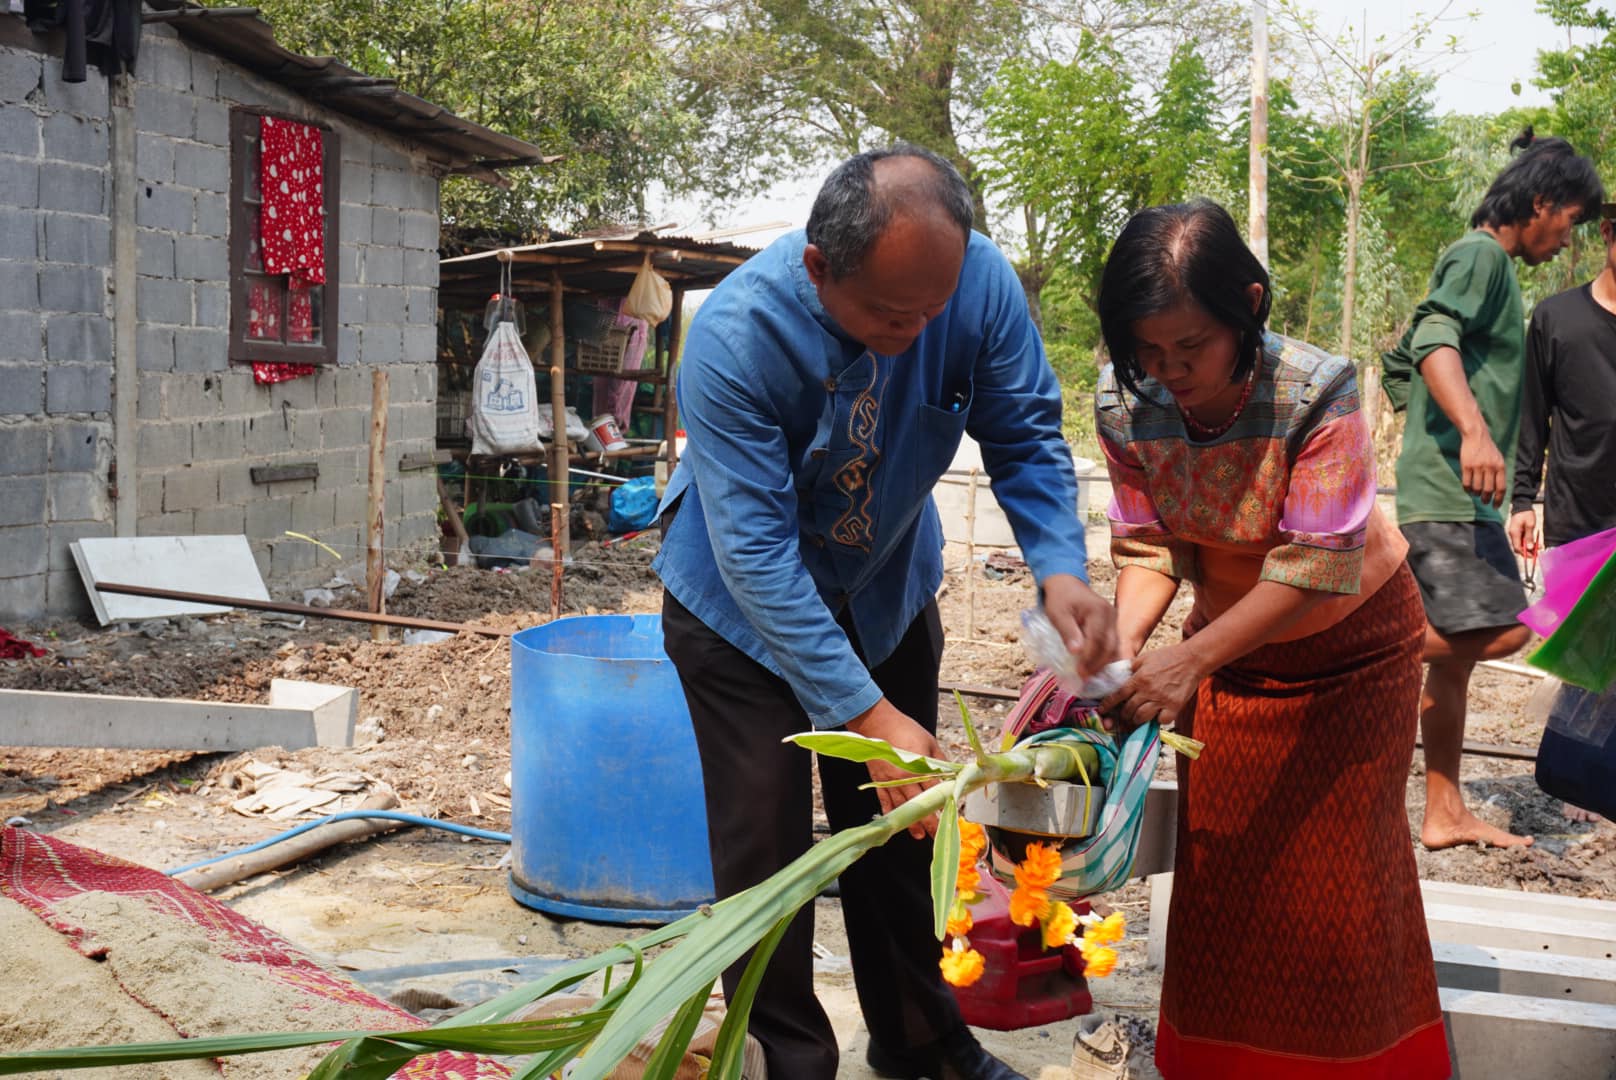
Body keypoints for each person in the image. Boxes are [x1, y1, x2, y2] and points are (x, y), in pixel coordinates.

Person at [653, 144, 1118, 1080]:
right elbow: (755, 554)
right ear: (821, 267)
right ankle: (788, 1060)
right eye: (886, 312)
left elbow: (1025, 432)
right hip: (742, 620)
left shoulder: (976, 283)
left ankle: (921, 1045)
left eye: (930, 309)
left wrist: (1058, 565)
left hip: (887, 591)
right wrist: (864, 714)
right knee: (767, 860)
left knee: (907, 831)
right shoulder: (736, 336)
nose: (914, 329)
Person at [1093, 200, 1449, 1079]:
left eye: (1191, 349)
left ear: (1249, 305)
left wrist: (1190, 659)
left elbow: (1319, 560)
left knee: (1340, 894)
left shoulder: (1318, 388)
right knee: (1224, 884)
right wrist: (1120, 649)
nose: (1168, 372)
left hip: (1352, 660)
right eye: (1148, 352)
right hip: (1227, 663)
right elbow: (1151, 544)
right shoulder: (1124, 399)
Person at [1382, 129, 1604, 849]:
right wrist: (1469, 433)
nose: (1567, 240)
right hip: (1448, 498)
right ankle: (1347, 650)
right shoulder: (1481, 255)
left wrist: (1423, 422)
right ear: (1541, 202)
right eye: (1568, 221)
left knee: (1453, 671)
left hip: (1454, 493)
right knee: (1510, 628)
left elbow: (1399, 357)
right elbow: (1432, 339)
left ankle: (1444, 812)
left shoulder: (1493, 269)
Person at [1508, 197, 1616, 822]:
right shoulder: (1557, 318)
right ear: (1606, 233)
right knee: (1581, 654)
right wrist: (1525, 498)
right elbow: (1532, 415)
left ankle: (1604, 777)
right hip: (1579, 514)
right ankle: (1579, 779)